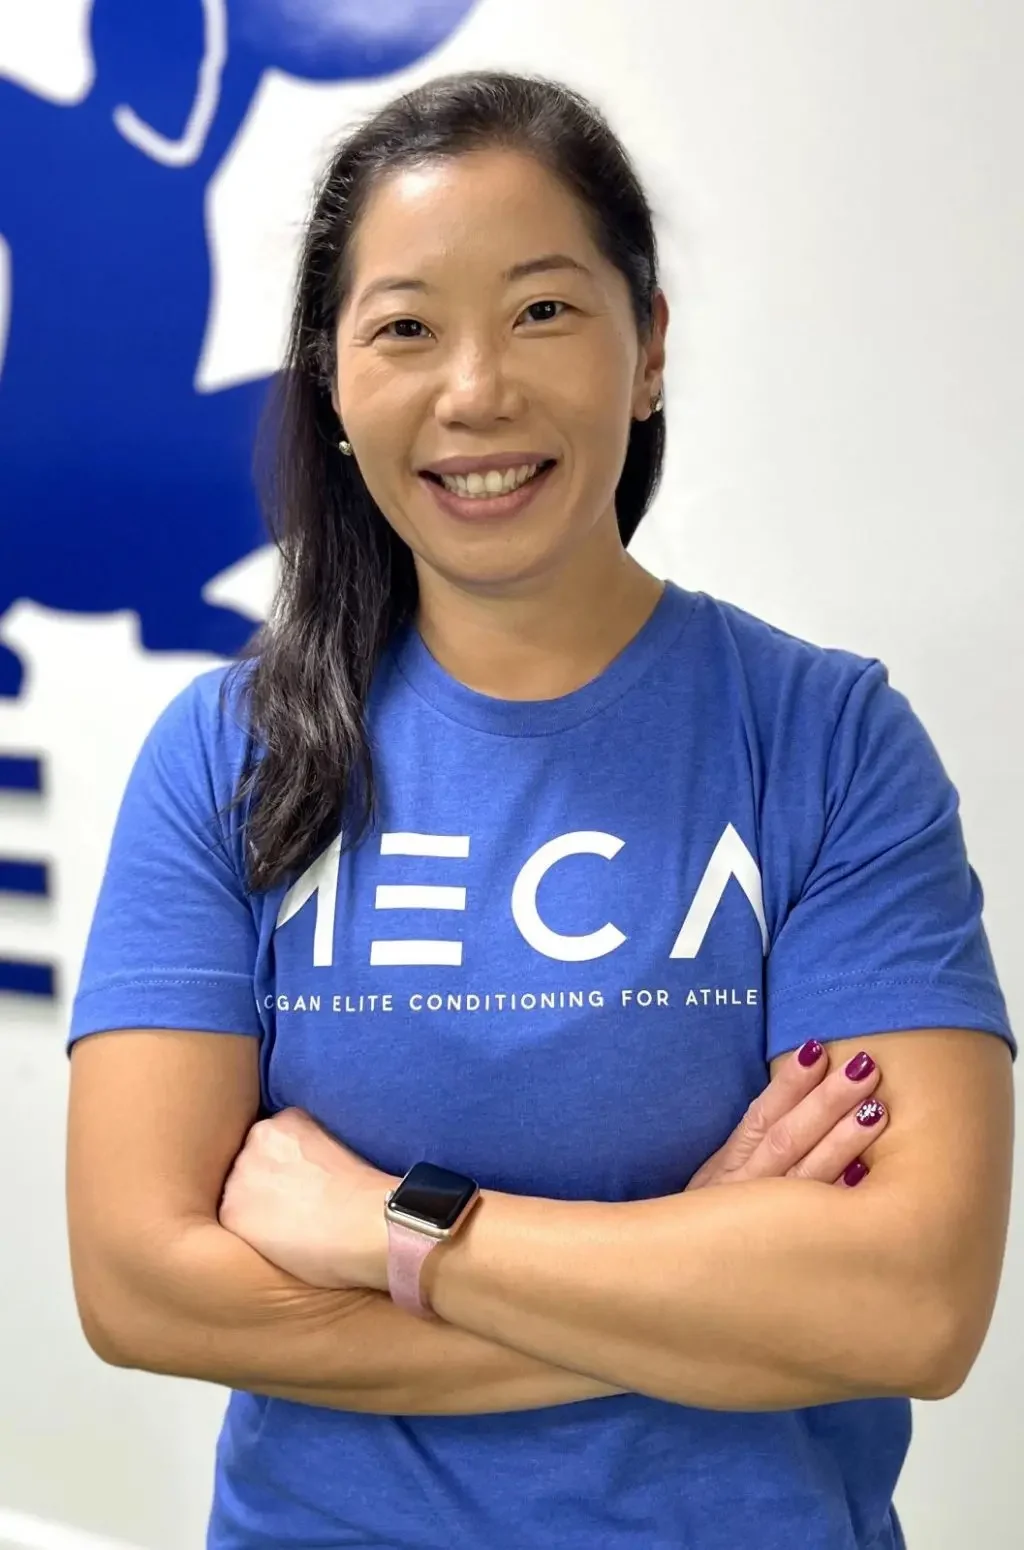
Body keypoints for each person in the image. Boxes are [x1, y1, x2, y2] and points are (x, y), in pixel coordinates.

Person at [65, 69, 1016, 1550]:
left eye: (544, 310)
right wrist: (699, 1264)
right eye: (404, 328)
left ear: (648, 351)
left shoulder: (826, 738)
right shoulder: (227, 755)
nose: (476, 390)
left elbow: (910, 1303)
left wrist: (390, 1222)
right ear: (330, 387)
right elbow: (137, 1286)